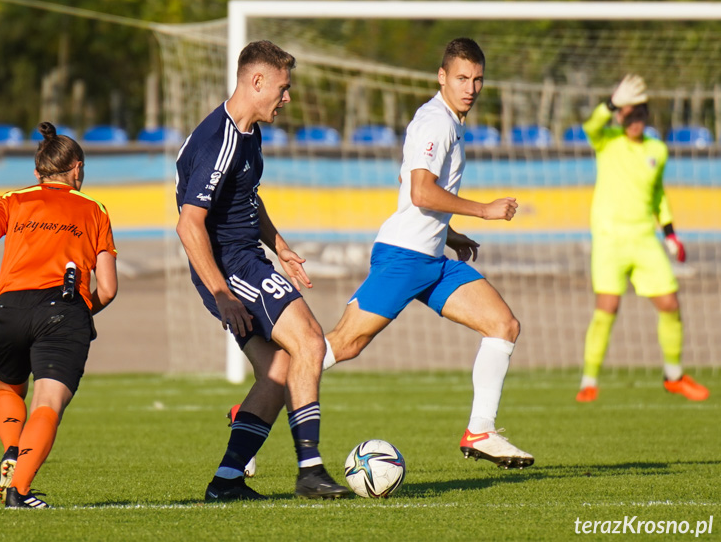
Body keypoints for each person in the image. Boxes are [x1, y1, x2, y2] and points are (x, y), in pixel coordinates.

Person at [324, 37, 534, 469]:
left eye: (477, 79)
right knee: (343, 345)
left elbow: (417, 194)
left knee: (502, 325)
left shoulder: (450, 122)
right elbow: (421, 191)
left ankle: (481, 430)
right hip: (403, 257)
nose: (470, 88)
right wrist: (483, 211)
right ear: (442, 77)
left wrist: (450, 234)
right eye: (461, 78)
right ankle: (254, 410)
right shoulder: (435, 121)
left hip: (431, 258)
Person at [175, 39, 350, 501]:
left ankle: (227, 481)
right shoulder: (221, 139)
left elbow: (247, 195)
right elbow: (189, 223)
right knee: (311, 340)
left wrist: (279, 245)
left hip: (244, 259)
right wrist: (222, 293)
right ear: (257, 81)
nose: (287, 98)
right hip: (230, 266)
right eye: (283, 87)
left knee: (277, 371)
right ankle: (310, 470)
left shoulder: (247, 133)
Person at [0, 122, 118, 508]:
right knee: (47, 403)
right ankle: (19, 489)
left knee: (8, 390)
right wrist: (84, 311)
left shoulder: (14, 199)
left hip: (7, 308)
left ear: (37, 173)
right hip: (61, 311)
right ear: (77, 169)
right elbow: (109, 288)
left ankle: (12, 449)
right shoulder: (94, 209)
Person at [575, 74, 709, 403]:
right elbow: (590, 127)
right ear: (621, 116)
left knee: (670, 303)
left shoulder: (657, 150)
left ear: (646, 117)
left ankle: (674, 376)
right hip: (609, 239)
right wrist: (610, 104)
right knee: (608, 306)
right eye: (628, 114)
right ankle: (588, 380)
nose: (633, 121)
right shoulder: (606, 140)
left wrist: (670, 233)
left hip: (644, 238)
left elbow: (658, 194)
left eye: (639, 115)